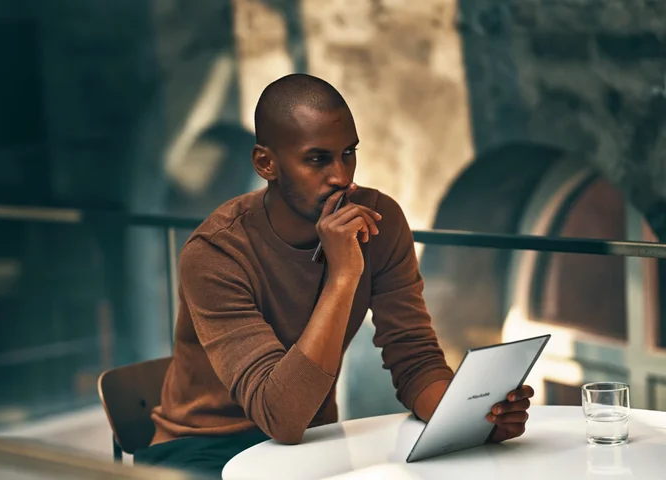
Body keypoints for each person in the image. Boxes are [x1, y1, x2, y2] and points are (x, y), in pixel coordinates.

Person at [133, 74, 535, 477]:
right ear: (265, 163)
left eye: (349, 153)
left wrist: (473, 419)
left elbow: (413, 358)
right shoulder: (215, 254)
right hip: (200, 451)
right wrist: (343, 277)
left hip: (309, 441)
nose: (342, 176)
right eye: (317, 159)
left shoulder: (381, 222)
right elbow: (280, 416)